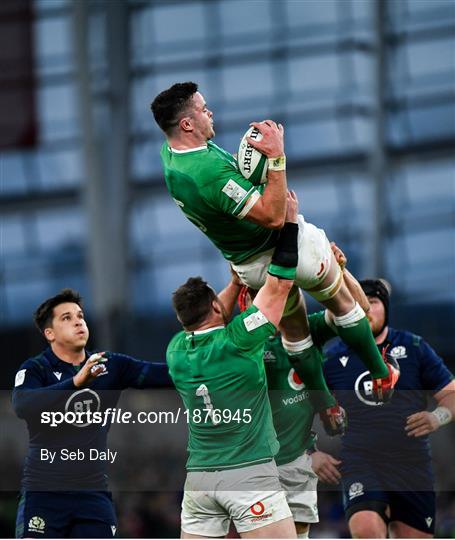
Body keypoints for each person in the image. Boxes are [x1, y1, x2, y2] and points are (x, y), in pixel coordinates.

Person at [151, 81, 398, 410]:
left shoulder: (171, 155)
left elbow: (225, 194)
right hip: (286, 247)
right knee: (347, 305)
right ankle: (381, 373)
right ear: (186, 124)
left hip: (251, 269)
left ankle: (327, 407)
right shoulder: (206, 173)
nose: (209, 112)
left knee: (294, 334)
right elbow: (272, 217)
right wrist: (276, 158)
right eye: (201, 108)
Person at [166, 191, 301, 538]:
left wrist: (233, 282)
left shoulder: (176, 350)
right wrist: (289, 225)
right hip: (249, 474)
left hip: (199, 481)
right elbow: (281, 283)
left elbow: (208, 315)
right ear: (214, 306)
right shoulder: (239, 340)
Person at [12, 289, 172, 538]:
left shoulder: (110, 365)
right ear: (50, 334)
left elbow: (166, 375)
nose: (78, 321)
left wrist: (217, 363)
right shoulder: (36, 368)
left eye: (80, 316)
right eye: (66, 318)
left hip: (92, 495)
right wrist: (76, 382)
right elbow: (23, 405)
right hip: (43, 494)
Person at [323, 279, 455, 538]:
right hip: (360, 462)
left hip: (411, 465)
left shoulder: (414, 347)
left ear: (386, 307)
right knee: (366, 529)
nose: (366, 310)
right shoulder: (331, 358)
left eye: (372, 302)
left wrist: (438, 417)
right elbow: (299, 411)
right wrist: (311, 453)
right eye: (358, 305)